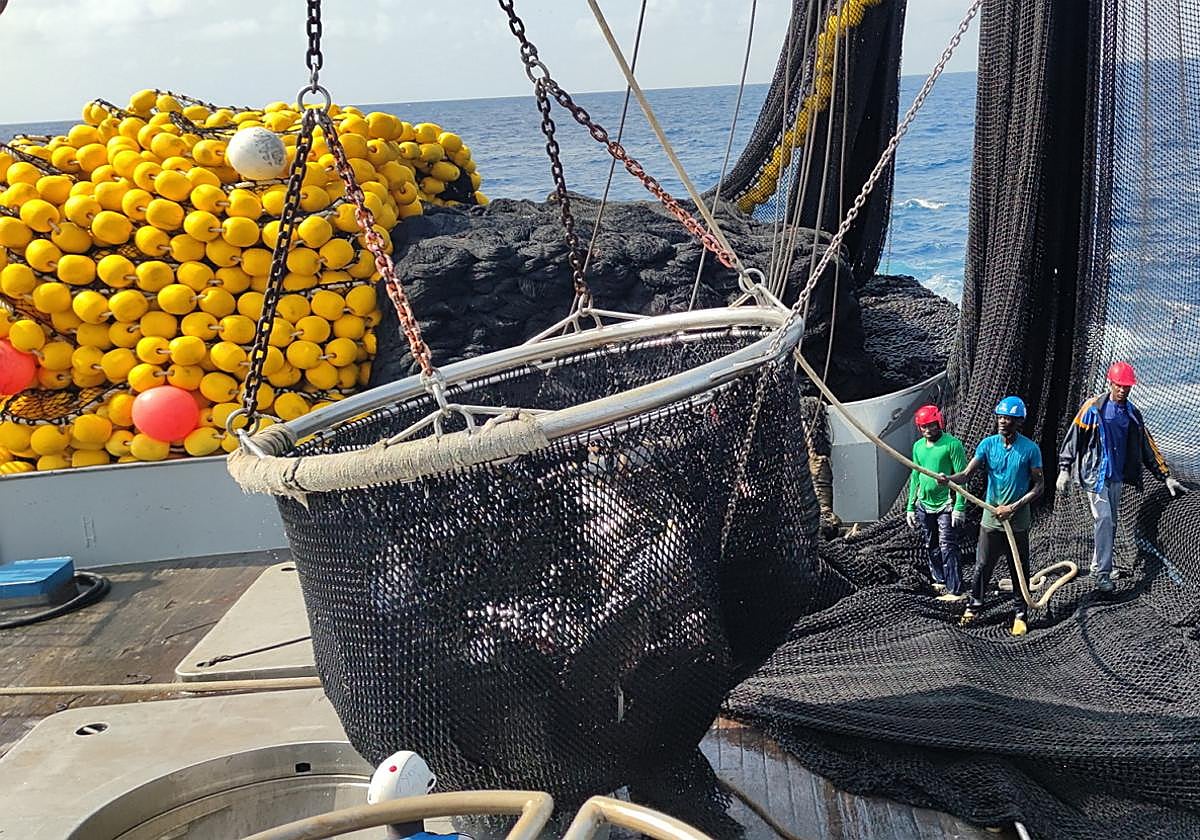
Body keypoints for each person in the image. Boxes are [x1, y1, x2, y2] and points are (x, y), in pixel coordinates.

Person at [1056, 361, 1188, 593]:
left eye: (1127, 386)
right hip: (1094, 475)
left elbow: (1148, 446)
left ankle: (1098, 565)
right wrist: (1064, 469)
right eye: (1119, 385)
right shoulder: (1093, 407)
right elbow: (1073, 437)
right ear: (1111, 383)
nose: (1123, 390)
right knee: (1104, 519)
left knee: (1110, 522)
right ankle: (1103, 575)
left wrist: (1166, 476)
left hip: (1116, 477)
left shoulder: (1132, 414)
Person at [941, 396, 1044, 637]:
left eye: (1007, 418)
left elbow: (1039, 486)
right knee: (982, 565)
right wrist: (948, 479)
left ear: (1018, 422)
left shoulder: (1030, 449)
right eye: (1000, 417)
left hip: (1016, 521)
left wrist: (1014, 506)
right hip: (990, 519)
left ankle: (1020, 614)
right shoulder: (987, 445)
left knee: (1018, 568)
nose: (1002, 421)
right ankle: (974, 606)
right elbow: (966, 475)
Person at [905, 404, 968, 599]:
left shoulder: (952, 445)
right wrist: (910, 507)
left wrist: (959, 506)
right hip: (924, 504)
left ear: (939, 423)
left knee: (947, 545)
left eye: (931, 425)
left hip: (946, 505)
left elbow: (962, 477)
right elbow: (915, 476)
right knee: (930, 544)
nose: (928, 430)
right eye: (924, 427)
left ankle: (955, 589)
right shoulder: (917, 447)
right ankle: (939, 581)